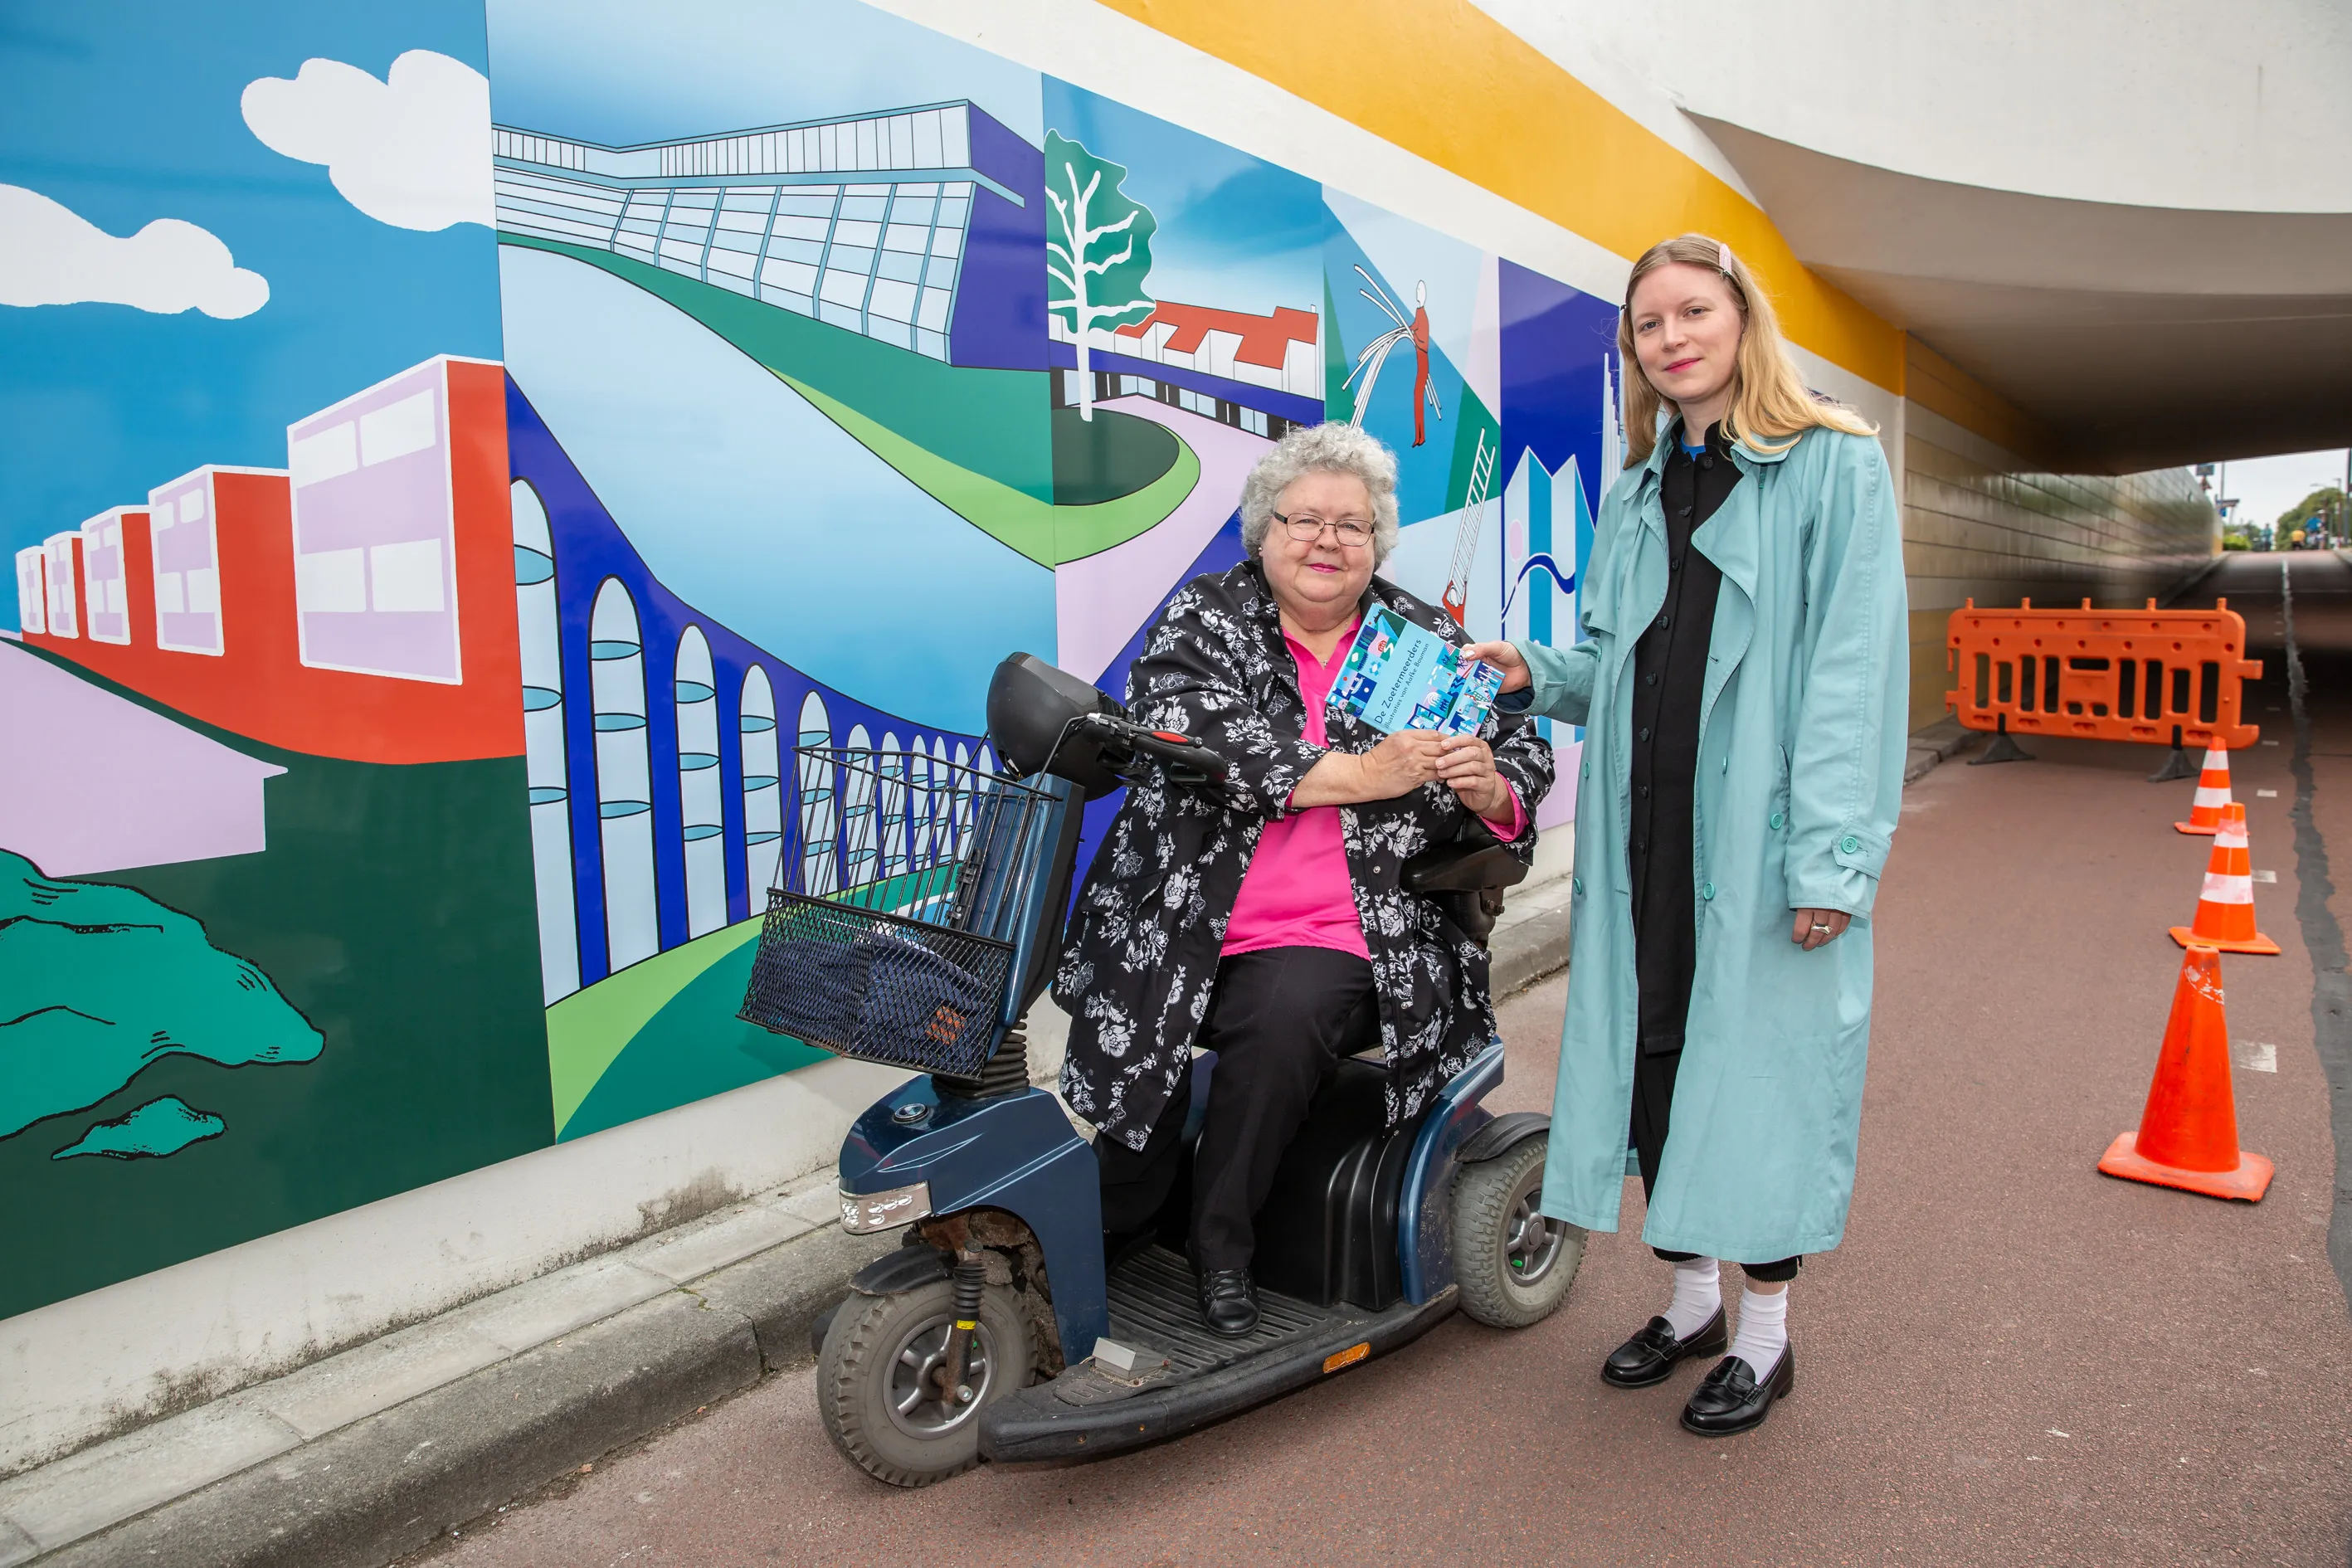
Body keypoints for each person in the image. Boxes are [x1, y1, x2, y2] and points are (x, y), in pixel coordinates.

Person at [1466, 234, 1906, 1437]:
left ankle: (1766, 1338)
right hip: (1640, 835)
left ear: (1740, 317)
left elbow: (1848, 678)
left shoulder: (1828, 463)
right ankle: (1691, 1299)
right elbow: (1615, 659)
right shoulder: (1640, 482)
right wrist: (1534, 669)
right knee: (1657, 1056)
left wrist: (1829, 860)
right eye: (1645, 323)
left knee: (1757, 1078)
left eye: (1690, 310)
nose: (1669, 337)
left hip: (1758, 838)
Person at [1056, 421, 1553, 1337]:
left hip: (1356, 928)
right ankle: (1116, 1221)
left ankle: (1221, 1246)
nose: (1328, 541)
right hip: (1188, 910)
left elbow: (1526, 753)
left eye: (1352, 527)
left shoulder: (1425, 641)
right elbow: (1197, 734)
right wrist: (1367, 775)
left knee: (1285, 1013)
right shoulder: (1208, 619)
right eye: (1305, 520)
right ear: (1263, 530)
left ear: (1378, 544)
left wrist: (1493, 788)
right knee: (1148, 1039)